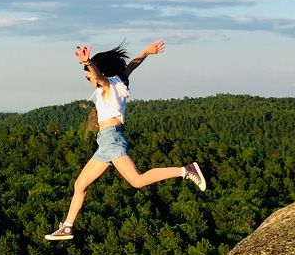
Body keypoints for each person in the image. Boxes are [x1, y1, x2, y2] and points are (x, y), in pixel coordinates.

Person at [45, 41, 206, 241]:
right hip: (105, 143)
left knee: (137, 180)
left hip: (111, 139)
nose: (88, 79)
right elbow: (131, 65)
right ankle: (68, 227)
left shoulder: (106, 85)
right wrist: (146, 52)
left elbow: (98, 77)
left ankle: (186, 170)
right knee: (80, 185)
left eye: (87, 76)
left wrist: (88, 63)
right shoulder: (120, 80)